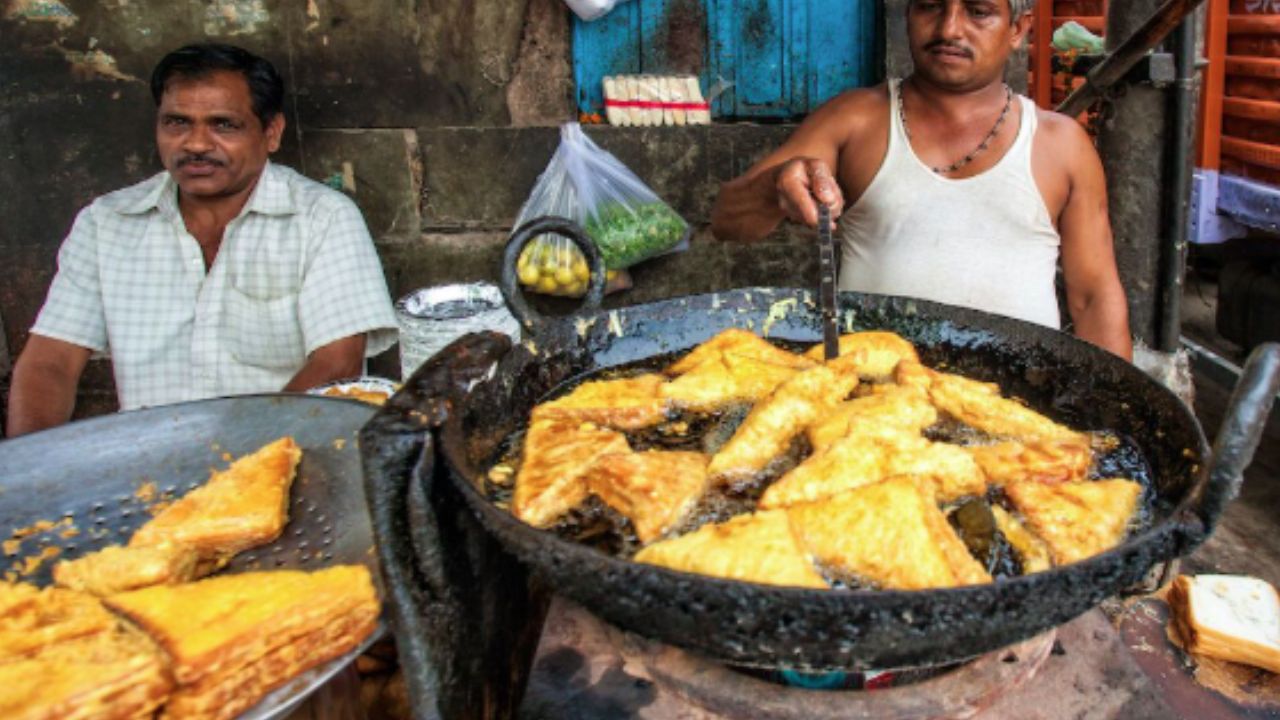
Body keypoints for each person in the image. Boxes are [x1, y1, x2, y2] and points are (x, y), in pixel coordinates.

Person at [5, 44, 398, 437]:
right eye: (177, 122)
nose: (195, 144)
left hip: (285, 458)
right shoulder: (105, 223)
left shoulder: (321, 218)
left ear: (271, 132)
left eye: (223, 125)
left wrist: (231, 463)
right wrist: (27, 472)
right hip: (147, 468)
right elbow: (50, 361)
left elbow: (337, 365)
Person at [710, 0, 1133, 361]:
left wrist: (1123, 426)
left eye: (978, 11)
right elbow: (727, 220)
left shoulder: (1061, 145)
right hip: (871, 401)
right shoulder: (855, 119)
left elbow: (1095, 297)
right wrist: (775, 189)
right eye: (930, 6)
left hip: (1016, 405)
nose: (949, 28)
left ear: (1018, 29)